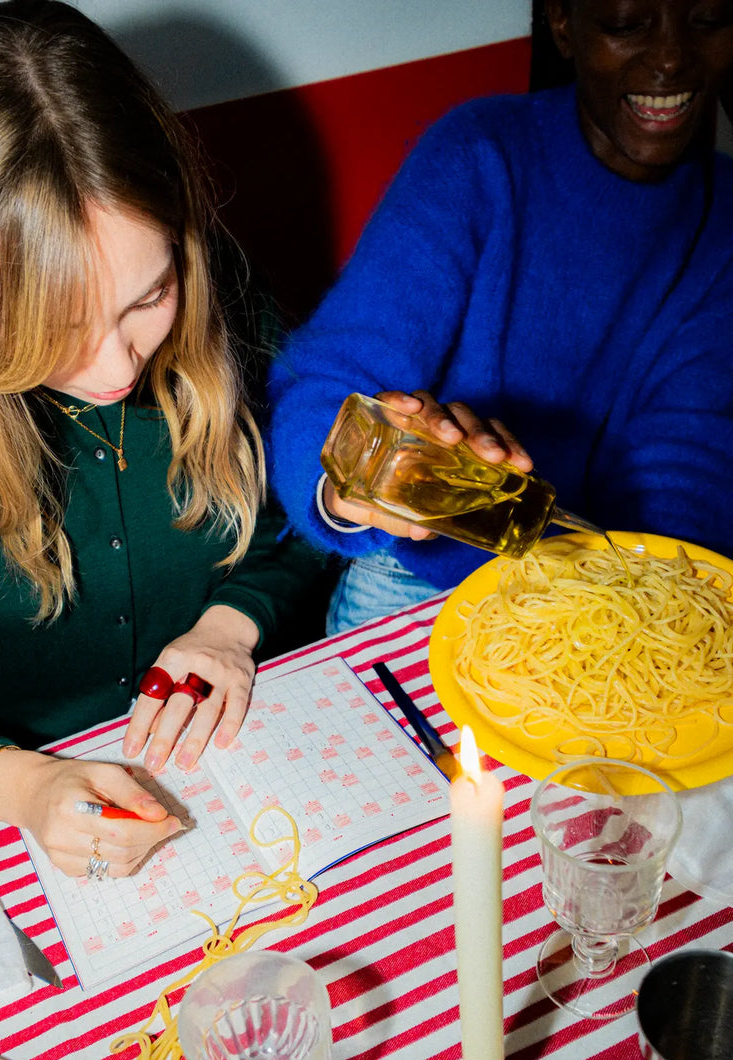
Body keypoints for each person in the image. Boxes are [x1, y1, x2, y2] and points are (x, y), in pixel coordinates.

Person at [0, 0, 321, 878]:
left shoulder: (222, 294)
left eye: (148, 297)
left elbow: (313, 508)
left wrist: (231, 624)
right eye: (53, 324)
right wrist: (14, 784)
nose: (116, 367)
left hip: (255, 772)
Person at [267, 0, 733, 634]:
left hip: (602, 585)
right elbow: (324, 384)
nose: (674, 56)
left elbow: (687, 453)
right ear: (565, 25)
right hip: (418, 580)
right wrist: (353, 484)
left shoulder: (723, 217)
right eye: (627, 23)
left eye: (708, 18)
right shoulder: (479, 154)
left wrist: (647, 608)